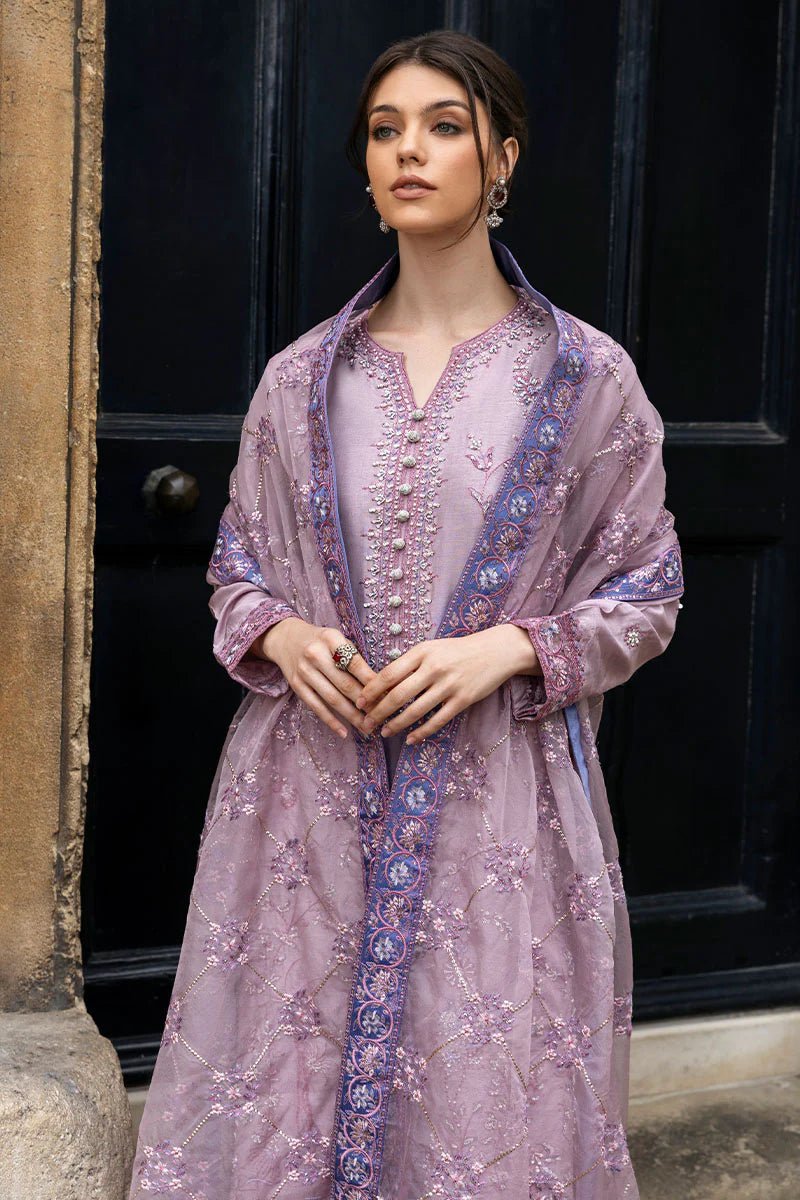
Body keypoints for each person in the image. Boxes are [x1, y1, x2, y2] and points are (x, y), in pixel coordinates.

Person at [128, 29, 684, 1200]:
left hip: (499, 806)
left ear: (503, 160)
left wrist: (508, 648)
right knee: (283, 1082)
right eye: (385, 131)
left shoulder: (585, 380)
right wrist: (277, 633)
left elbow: (646, 590)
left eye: (442, 126)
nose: (408, 152)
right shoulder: (299, 378)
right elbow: (237, 568)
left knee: (479, 1096)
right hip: (302, 802)